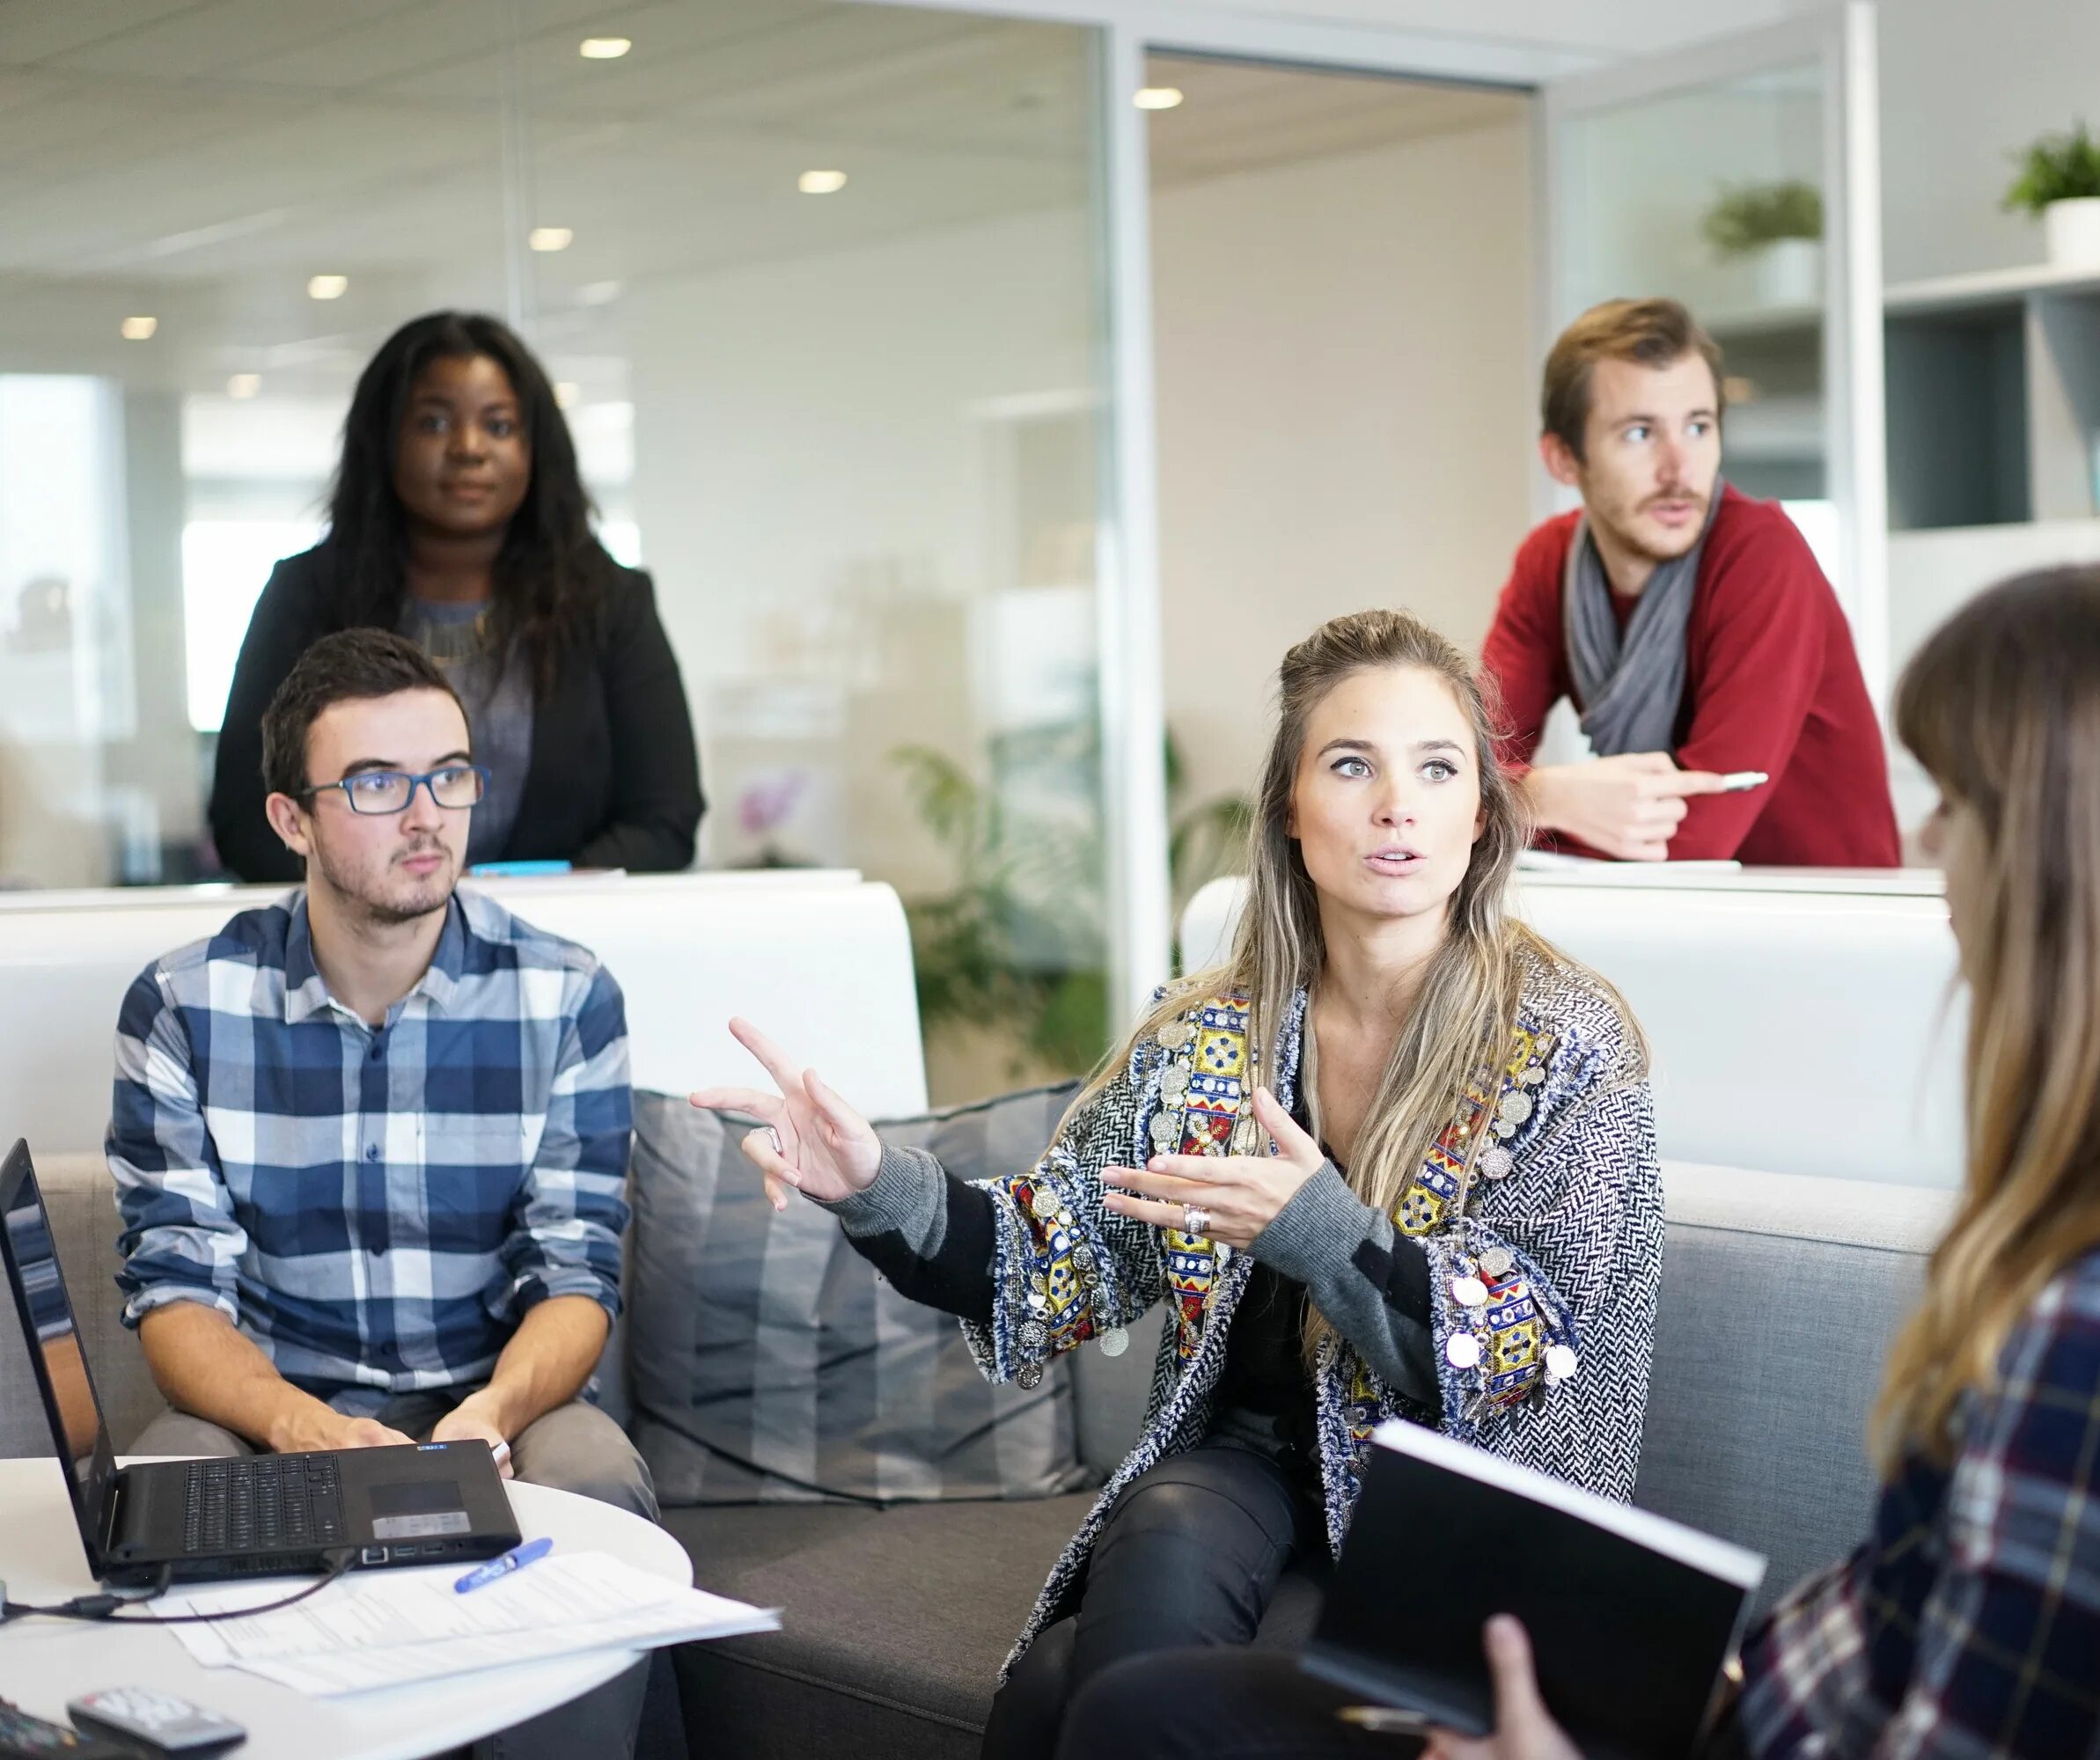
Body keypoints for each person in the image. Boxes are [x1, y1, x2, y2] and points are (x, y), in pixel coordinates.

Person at [1069, 564, 2100, 1760]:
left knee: (1148, 1723)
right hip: (1737, 1704)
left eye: (1963, 805)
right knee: (1130, 1698)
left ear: (2095, 866)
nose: (1933, 848)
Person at [694, 609, 1663, 1757]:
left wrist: (1316, 1228)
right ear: (1292, 814)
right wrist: (868, 1181)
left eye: (1437, 768)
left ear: (1481, 818)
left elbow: (1520, 1351)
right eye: (1351, 765)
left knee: (1067, 1686)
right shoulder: (1212, 1037)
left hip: (1461, 1517)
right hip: (1249, 1468)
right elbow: (1042, 1258)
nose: (1397, 802)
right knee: (1158, 1534)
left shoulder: (1567, 1042)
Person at [114, 631, 655, 1755]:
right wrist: (302, 1428)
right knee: (157, 1481)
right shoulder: (183, 1005)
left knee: (595, 1475)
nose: (428, 814)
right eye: (375, 782)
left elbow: (576, 1271)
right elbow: (176, 1294)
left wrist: (488, 1420)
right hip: (267, 1405)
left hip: (496, 1399)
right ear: (291, 819)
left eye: (449, 773)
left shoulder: (566, 996)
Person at [209, 311, 702, 882]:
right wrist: (398, 896)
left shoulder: (612, 604)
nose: (469, 449)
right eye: (435, 424)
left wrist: (517, 903)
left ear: (536, 448)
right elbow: (246, 822)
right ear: (384, 439)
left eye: (499, 426)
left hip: (561, 944)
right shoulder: (306, 597)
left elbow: (665, 821)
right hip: (358, 954)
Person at [1480, 297, 1897, 867]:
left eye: (1698, 427)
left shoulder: (1761, 554)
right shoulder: (1548, 563)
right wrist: (1545, 795)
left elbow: (1697, 836)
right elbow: (1460, 768)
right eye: (1639, 433)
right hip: (1670, 917)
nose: (1679, 469)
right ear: (1563, 459)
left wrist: (1507, 807)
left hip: (1823, 923)